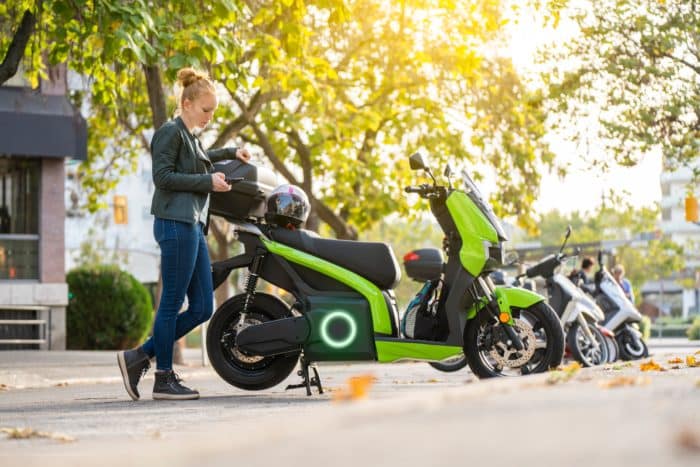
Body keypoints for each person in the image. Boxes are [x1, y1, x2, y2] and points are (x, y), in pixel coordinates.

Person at [118, 67, 251, 401]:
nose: (210, 116)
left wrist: (230, 153)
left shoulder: (191, 137)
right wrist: (208, 182)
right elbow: (164, 177)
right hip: (175, 225)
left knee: (204, 305)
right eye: (206, 110)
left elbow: (201, 161)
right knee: (171, 304)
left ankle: (138, 357)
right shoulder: (169, 133)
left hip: (192, 225)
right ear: (188, 103)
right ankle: (163, 377)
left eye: (213, 112)